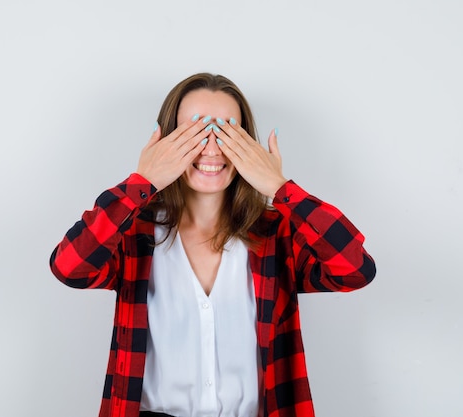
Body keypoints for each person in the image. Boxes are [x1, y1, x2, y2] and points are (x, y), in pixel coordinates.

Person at [49, 73, 376, 417]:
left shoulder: (277, 236)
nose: (212, 147)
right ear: (167, 141)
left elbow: (355, 270)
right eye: (195, 132)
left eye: (227, 132)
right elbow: (69, 267)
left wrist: (280, 188)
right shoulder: (133, 234)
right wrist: (141, 184)